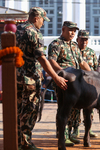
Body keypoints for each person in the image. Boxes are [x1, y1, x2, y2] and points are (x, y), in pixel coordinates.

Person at [15, 7, 68, 150]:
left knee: (18, 110)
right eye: (43, 20)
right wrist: (56, 77)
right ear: (36, 18)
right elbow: (42, 58)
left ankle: (17, 141)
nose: (43, 24)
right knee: (30, 110)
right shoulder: (34, 32)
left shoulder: (17, 29)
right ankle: (25, 144)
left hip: (17, 77)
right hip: (30, 79)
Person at [48, 21, 91, 146]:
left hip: (77, 82)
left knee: (75, 108)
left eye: (74, 31)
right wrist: (61, 74)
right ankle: (62, 135)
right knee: (64, 108)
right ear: (63, 29)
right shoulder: (56, 44)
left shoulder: (74, 45)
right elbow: (52, 61)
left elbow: (82, 62)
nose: (72, 33)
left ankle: (70, 133)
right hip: (64, 81)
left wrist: (93, 75)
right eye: (70, 30)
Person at [70, 29, 98, 138]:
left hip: (88, 85)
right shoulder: (72, 50)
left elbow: (94, 69)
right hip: (76, 85)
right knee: (75, 109)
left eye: (86, 40)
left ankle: (88, 129)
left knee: (89, 108)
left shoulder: (91, 53)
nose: (84, 42)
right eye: (82, 40)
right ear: (78, 39)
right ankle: (75, 129)